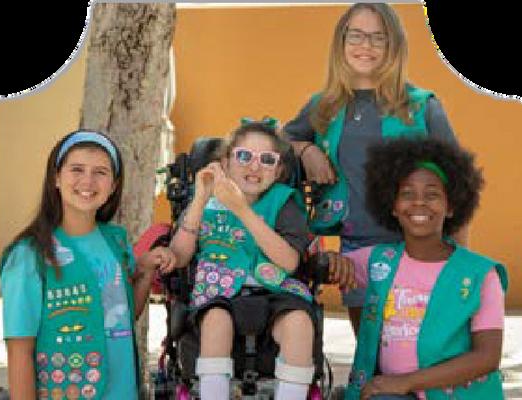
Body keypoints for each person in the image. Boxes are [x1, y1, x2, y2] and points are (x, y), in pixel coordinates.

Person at [283, 2, 462, 335]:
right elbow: (277, 142)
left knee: (417, 351)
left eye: (378, 38)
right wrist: (306, 149)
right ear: (341, 41)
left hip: (418, 247)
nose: (366, 45)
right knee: (370, 354)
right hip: (356, 252)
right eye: (357, 35)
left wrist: (459, 264)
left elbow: (459, 187)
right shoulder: (324, 107)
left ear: (394, 46)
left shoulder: (421, 106)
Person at [168, 120, 353, 400]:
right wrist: (199, 201)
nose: (254, 167)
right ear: (225, 163)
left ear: (278, 171)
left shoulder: (283, 202)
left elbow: (289, 263)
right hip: (217, 293)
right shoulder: (204, 201)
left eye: (267, 160)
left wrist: (241, 210)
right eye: (244, 156)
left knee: (300, 323)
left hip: (276, 291)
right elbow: (180, 257)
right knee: (216, 321)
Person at [0, 130, 176, 400]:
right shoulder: (28, 255)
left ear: (114, 185)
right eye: (77, 169)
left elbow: (122, 315)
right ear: (56, 177)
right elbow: (19, 350)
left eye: (100, 172)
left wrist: (145, 271)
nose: (88, 181)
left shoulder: (116, 242)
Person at [343, 138, 507, 399]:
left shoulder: (480, 274)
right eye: (407, 194)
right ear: (393, 206)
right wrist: (331, 263)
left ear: (451, 206)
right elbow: (328, 266)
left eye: (432, 195)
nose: (419, 202)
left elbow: (487, 357)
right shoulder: (379, 260)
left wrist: (407, 382)